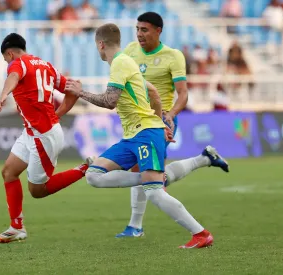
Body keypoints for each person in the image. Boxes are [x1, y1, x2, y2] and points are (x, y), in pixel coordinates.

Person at [65, 23, 215, 248]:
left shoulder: (120, 63)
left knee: (154, 193)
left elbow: (109, 101)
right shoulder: (127, 62)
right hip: (134, 136)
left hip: (144, 134)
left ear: (100, 44)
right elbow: (153, 92)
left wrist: (80, 93)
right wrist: (160, 121)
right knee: (94, 175)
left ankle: (201, 234)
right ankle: (152, 178)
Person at [118, 12, 228, 238]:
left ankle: (135, 227)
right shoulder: (129, 51)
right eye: (137, 29)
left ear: (158, 31)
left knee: (144, 173)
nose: (139, 34)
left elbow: (183, 93)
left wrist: (171, 116)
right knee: (149, 175)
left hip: (160, 121)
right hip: (136, 121)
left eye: (145, 30)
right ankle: (204, 158)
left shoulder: (172, 56)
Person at [0, 33, 87, 243]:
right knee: (9, 172)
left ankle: (85, 169)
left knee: (38, 191)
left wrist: (4, 94)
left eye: (6, 59)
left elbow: (13, 76)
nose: (7, 63)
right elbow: (72, 89)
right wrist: (58, 114)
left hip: (44, 136)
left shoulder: (18, 63)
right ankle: (16, 227)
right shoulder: (46, 65)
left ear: (9, 53)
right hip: (33, 132)